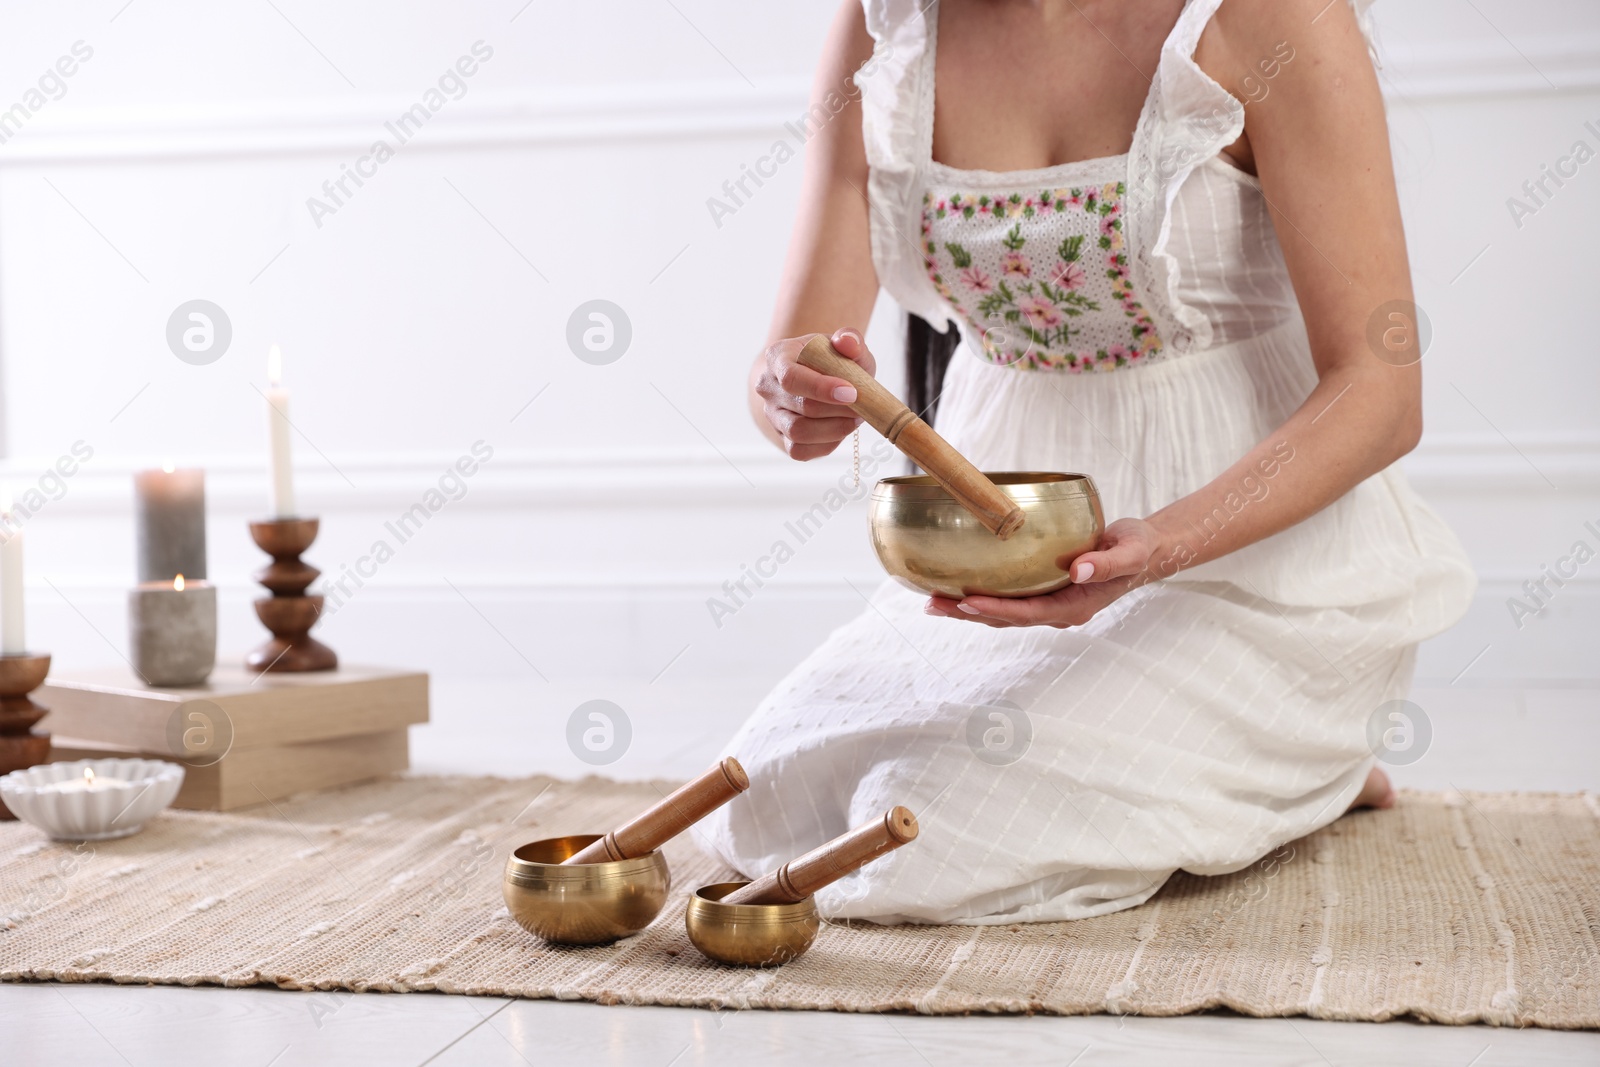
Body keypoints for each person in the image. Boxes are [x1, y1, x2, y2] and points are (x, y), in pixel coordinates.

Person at [704, 0, 1476, 924]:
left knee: (931, 823)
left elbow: (1382, 397)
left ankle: (1309, 762)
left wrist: (1159, 548)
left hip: (1253, 568)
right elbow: (798, 354)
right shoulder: (888, 22)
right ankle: (1250, 776)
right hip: (1011, 570)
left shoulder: (1273, 17)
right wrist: (783, 391)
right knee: (768, 802)